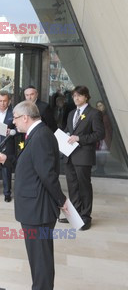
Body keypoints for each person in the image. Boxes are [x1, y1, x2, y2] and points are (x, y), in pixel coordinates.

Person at [0, 100, 68, 290]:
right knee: (38, 258)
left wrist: (62, 200)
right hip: (34, 207)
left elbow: (47, 174)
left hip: (38, 209)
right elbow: (32, 164)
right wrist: (8, 159)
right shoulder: (36, 133)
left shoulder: (41, 135)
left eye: (15, 118)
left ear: (25, 117)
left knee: (41, 260)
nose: (13, 122)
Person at [60, 86, 104, 230]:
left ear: (86, 97)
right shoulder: (72, 113)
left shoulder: (94, 113)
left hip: (83, 156)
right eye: (74, 96)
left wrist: (80, 138)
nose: (76, 98)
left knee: (84, 186)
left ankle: (85, 217)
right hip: (69, 155)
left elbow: (99, 134)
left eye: (79, 96)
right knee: (72, 186)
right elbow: (69, 130)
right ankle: (75, 215)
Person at [94, 100, 112, 175]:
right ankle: (99, 169)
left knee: (103, 153)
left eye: (101, 105)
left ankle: (101, 170)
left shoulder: (106, 115)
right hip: (98, 137)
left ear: (104, 106)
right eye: (98, 106)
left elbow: (109, 128)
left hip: (104, 138)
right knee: (98, 153)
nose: (99, 107)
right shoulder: (98, 115)